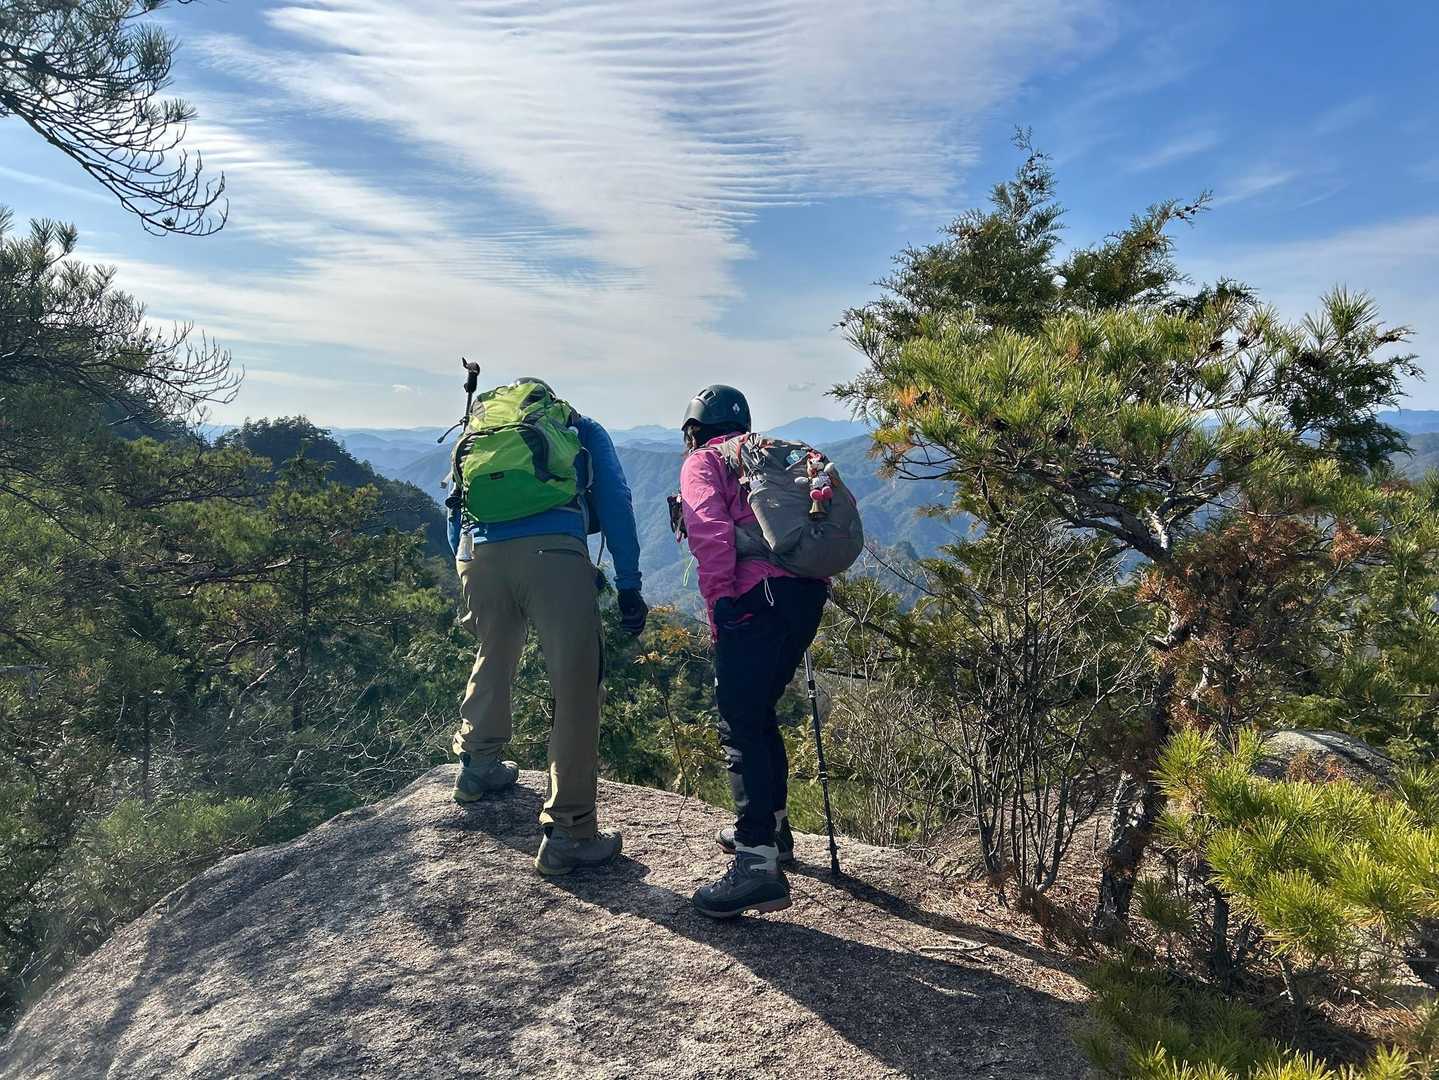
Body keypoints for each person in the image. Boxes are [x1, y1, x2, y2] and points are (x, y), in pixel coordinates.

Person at [446, 377, 648, 877]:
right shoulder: (581, 428)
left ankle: (477, 766)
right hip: (552, 553)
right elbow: (617, 502)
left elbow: (455, 508)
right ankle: (571, 831)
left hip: (478, 555)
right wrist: (629, 583)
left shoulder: (479, 431)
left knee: (494, 649)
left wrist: (467, 563)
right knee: (576, 686)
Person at [678, 384, 829, 918]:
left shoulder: (704, 462)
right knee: (760, 711)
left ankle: (755, 863)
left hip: (752, 598)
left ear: (695, 429)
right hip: (806, 595)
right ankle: (774, 832)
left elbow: (709, 531)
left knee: (740, 722)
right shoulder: (776, 455)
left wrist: (719, 603)